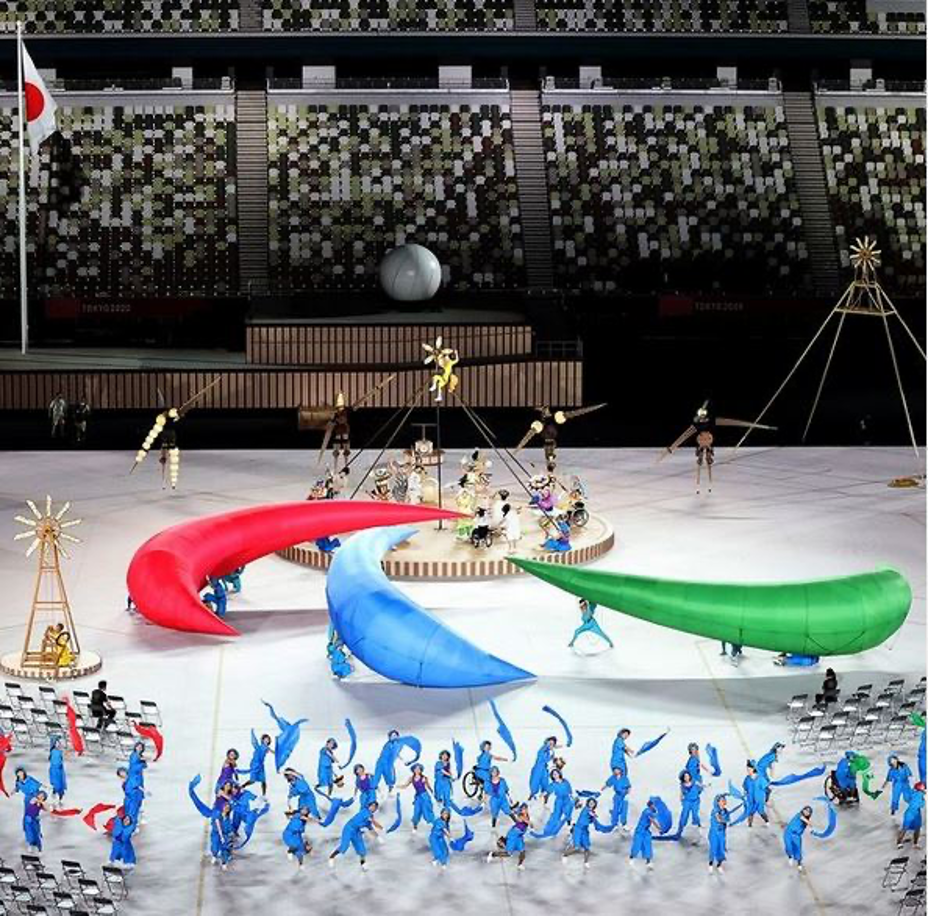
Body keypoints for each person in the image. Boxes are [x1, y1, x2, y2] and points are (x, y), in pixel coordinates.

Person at [328, 800, 383, 871]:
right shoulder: (365, 812)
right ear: (369, 806)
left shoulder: (370, 818)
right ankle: (331, 857)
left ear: (375, 809)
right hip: (348, 828)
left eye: (374, 807)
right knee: (344, 847)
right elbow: (374, 822)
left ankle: (363, 864)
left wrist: (378, 837)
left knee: (362, 850)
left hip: (357, 831)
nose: (372, 808)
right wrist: (382, 828)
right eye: (371, 806)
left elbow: (371, 829)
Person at [562, 797, 606, 868]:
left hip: (585, 830)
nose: (591, 804)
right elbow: (589, 812)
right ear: (588, 803)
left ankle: (586, 862)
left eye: (593, 803)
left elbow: (592, 818)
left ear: (595, 804)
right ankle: (565, 855)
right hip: (578, 829)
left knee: (587, 848)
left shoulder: (592, 812)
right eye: (590, 803)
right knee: (576, 847)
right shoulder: (586, 809)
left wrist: (593, 817)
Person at [488, 803, 531, 869]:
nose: (525, 810)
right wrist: (531, 824)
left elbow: (526, 821)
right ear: (522, 809)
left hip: (519, 836)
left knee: (522, 852)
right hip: (513, 835)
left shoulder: (526, 814)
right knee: (508, 854)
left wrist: (514, 810)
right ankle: (493, 854)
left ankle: (519, 865)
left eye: (526, 808)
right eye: (524, 809)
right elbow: (526, 821)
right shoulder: (521, 815)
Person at [398, 763, 435, 830]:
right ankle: (415, 826)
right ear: (413, 770)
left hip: (425, 796)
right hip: (418, 797)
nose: (417, 770)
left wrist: (434, 794)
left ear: (421, 770)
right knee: (416, 811)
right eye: (416, 768)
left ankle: (434, 824)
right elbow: (405, 786)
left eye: (419, 769)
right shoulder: (411, 778)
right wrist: (397, 786)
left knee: (427, 811)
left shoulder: (424, 778)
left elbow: (429, 787)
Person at [629, 799, 659, 868]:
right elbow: (653, 821)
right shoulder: (647, 812)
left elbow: (654, 816)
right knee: (637, 845)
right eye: (654, 805)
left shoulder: (652, 811)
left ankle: (648, 862)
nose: (655, 806)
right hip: (640, 831)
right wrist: (659, 828)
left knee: (647, 845)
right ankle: (632, 858)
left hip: (646, 831)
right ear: (651, 805)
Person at [242, 733, 272, 798]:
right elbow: (254, 742)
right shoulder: (258, 746)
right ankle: (242, 786)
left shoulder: (267, 748)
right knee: (252, 780)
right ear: (262, 740)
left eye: (268, 740)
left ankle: (264, 795)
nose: (266, 741)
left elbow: (274, 752)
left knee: (263, 781)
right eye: (265, 739)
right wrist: (252, 733)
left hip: (261, 766)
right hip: (255, 765)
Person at [529, 736, 560, 800]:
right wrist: (549, 746)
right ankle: (532, 795)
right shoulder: (542, 749)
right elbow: (542, 756)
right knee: (535, 782)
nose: (551, 745)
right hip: (538, 768)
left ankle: (544, 796)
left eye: (552, 744)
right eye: (550, 743)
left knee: (545, 783)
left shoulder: (549, 751)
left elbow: (550, 759)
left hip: (544, 769)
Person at [783, 806, 813, 871]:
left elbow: (807, 823)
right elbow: (805, 820)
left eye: (808, 812)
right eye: (805, 810)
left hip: (797, 836)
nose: (806, 812)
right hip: (788, 833)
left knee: (798, 850)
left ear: (810, 814)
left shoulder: (806, 822)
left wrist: (811, 829)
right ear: (803, 810)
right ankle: (790, 857)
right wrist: (810, 824)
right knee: (788, 847)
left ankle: (799, 864)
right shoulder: (799, 815)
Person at [897, 782, 925, 848]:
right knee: (916, 829)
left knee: (906, 829)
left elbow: (907, 799)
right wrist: (923, 798)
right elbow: (921, 805)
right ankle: (915, 844)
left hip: (911, 813)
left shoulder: (913, 793)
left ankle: (899, 843)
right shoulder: (920, 795)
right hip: (914, 814)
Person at [604, 764, 631, 830]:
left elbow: (629, 787)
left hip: (624, 796)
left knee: (624, 809)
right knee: (615, 810)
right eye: (614, 769)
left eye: (617, 769)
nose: (616, 771)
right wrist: (601, 790)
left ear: (620, 770)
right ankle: (614, 824)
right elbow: (607, 784)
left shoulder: (624, 778)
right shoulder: (612, 777)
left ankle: (623, 824)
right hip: (617, 795)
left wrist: (628, 794)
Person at [743, 760, 770, 827]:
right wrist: (745, 792)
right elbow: (745, 787)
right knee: (750, 812)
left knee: (761, 812)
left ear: (754, 769)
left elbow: (768, 789)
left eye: (749, 769)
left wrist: (766, 799)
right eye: (747, 769)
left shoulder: (760, 779)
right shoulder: (747, 779)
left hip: (759, 800)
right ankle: (750, 825)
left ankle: (766, 821)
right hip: (751, 800)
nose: (748, 771)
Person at [707, 795, 730, 872]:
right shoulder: (715, 810)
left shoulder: (726, 811)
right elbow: (719, 819)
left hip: (721, 833)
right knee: (713, 848)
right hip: (714, 833)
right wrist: (724, 820)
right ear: (718, 802)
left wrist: (726, 821)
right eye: (722, 800)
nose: (724, 802)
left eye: (724, 800)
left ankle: (719, 865)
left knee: (721, 849)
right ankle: (710, 864)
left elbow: (727, 820)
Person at [677, 770, 703, 835]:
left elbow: (701, 785)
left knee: (695, 813)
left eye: (687, 776)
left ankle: (698, 824)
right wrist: (681, 799)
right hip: (687, 801)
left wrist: (706, 786)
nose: (687, 778)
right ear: (683, 778)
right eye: (685, 777)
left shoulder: (694, 782)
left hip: (695, 801)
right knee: (684, 814)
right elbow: (681, 793)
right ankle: (680, 828)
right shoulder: (682, 785)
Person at [210, 801, 235, 870]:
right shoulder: (217, 814)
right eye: (225, 807)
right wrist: (221, 836)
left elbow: (229, 828)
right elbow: (218, 825)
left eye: (228, 808)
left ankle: (224, 862)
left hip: (225, 835)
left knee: (224, 849)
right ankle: (214, 855)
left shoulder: (228, 819)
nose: (226, 808)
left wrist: (231, 834)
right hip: (216, 834)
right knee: (215, 847)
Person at [48, 735, 67, 809]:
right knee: (58, 783)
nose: (59, 744)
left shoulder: (58, 752)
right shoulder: (54, 752)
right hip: (55, 770)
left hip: (58, 770)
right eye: (57, 742)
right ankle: (57, 793)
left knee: (59, 783)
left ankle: (59, 795)